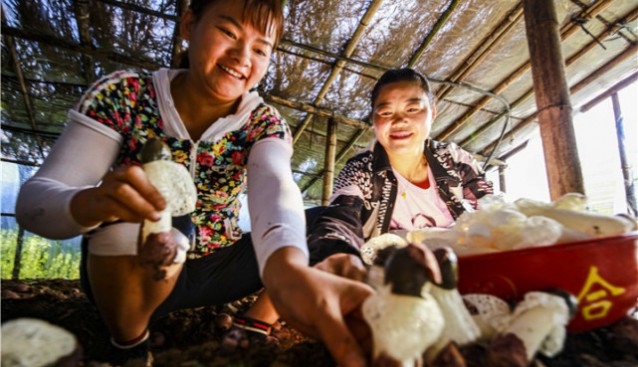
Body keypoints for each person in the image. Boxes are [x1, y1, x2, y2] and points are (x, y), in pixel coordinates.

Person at [15, 1, 372, 366]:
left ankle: (255, 323)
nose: (241, 56)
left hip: (221, 269)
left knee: (327, 222)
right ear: (189, 25)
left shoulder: (264, 122)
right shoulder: (126, 96)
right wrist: (95, 203)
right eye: (228, 32)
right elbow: (36, 202)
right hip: (135, 268)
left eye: (261, 49)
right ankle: (129, 344)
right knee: (151, 205)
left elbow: (275, 189)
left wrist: (288, 272)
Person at [306, 68, 494, 264]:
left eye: (412, 109)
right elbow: (340, 218)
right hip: (392, 275)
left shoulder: (455, 159)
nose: (399, 121)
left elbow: (491, 210)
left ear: (433, 112)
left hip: (459, 264)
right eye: (386, 112)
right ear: (374, 120)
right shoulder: (360, 169)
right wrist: (337, 258)